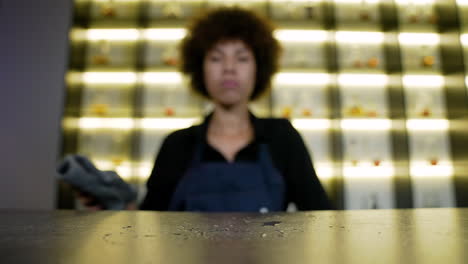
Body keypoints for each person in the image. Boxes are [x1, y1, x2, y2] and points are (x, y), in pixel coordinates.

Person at [75, 7, 332, 212]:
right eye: (216, 58)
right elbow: (149, 224)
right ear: (200, 69)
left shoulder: (282, 138)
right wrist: (114, 206)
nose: (229, 67)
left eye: (242, 58)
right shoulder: (177, 145)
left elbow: (322, 216)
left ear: (259, 69)